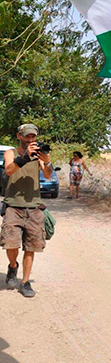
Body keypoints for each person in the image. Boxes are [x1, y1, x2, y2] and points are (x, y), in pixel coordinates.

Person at [1, 124, 53, 298]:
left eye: (33, 136)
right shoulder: (11, 153)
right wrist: (24, 157)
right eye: (27, 136)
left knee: (31, 246)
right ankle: (13, 266)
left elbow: (47, 174)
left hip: (34, 207)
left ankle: (25, 282)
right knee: (10, 244)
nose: (31, 139)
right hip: (13, 206)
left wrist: (47, 161)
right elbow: (9, 170)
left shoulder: (38, 155)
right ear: (19, 136)